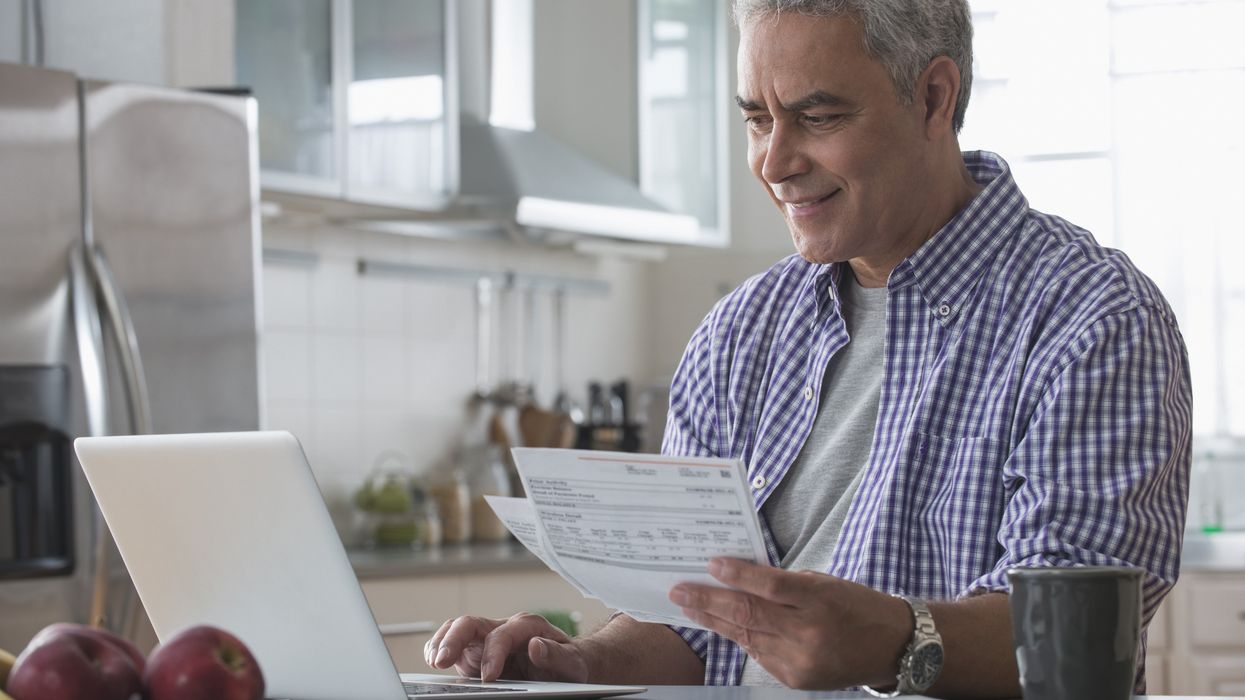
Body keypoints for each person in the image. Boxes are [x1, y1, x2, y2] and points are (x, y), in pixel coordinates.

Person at [426, 0, 1192, 696]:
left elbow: (1075, 644)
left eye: (816, 118)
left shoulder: (1092, 320)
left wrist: (895, 641)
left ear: (933, 97)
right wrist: (579, 666)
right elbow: (694, 622)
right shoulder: (740, 331)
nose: (773, 162)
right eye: (757, 120)